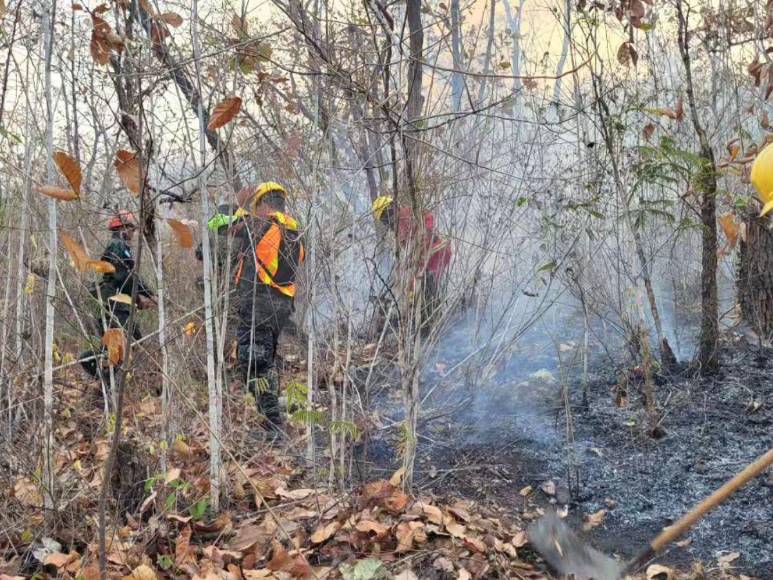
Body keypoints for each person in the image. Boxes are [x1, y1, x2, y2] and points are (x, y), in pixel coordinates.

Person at [232, 182, 304, 429]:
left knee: (254, 363)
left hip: (258, 307)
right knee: (266, 361)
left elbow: (216, 225)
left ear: (263, 204)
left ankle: (273, 427)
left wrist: (238, 205)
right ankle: (273, 410)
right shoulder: (294, 231)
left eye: (256, 205)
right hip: (281, 308)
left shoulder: (260, 224)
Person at [81, 210, 155, 377]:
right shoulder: (118, 245)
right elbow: (125, 276)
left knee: (124, 344)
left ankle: (106, 382)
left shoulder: (119, 246)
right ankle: (97, 372)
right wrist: (149, 294)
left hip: (116, 303)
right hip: (115, 306)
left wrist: (138, 300)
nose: (133, 234)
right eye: (132, 229)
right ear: (123, 229)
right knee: (125, 343)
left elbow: (123, 279)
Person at [371, 195, 452, 327]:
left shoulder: (408, 212)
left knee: (422, 286)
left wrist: (425, 232)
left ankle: (428, 318)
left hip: (437, 252)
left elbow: (429, 218)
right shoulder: (397, 230)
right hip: (427, 259)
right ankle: (417, 315)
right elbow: (411, 251)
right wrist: (406, 263)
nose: (387, 221)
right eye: (384, 220)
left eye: (387, 216)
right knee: (413, 287)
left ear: (392, 208)